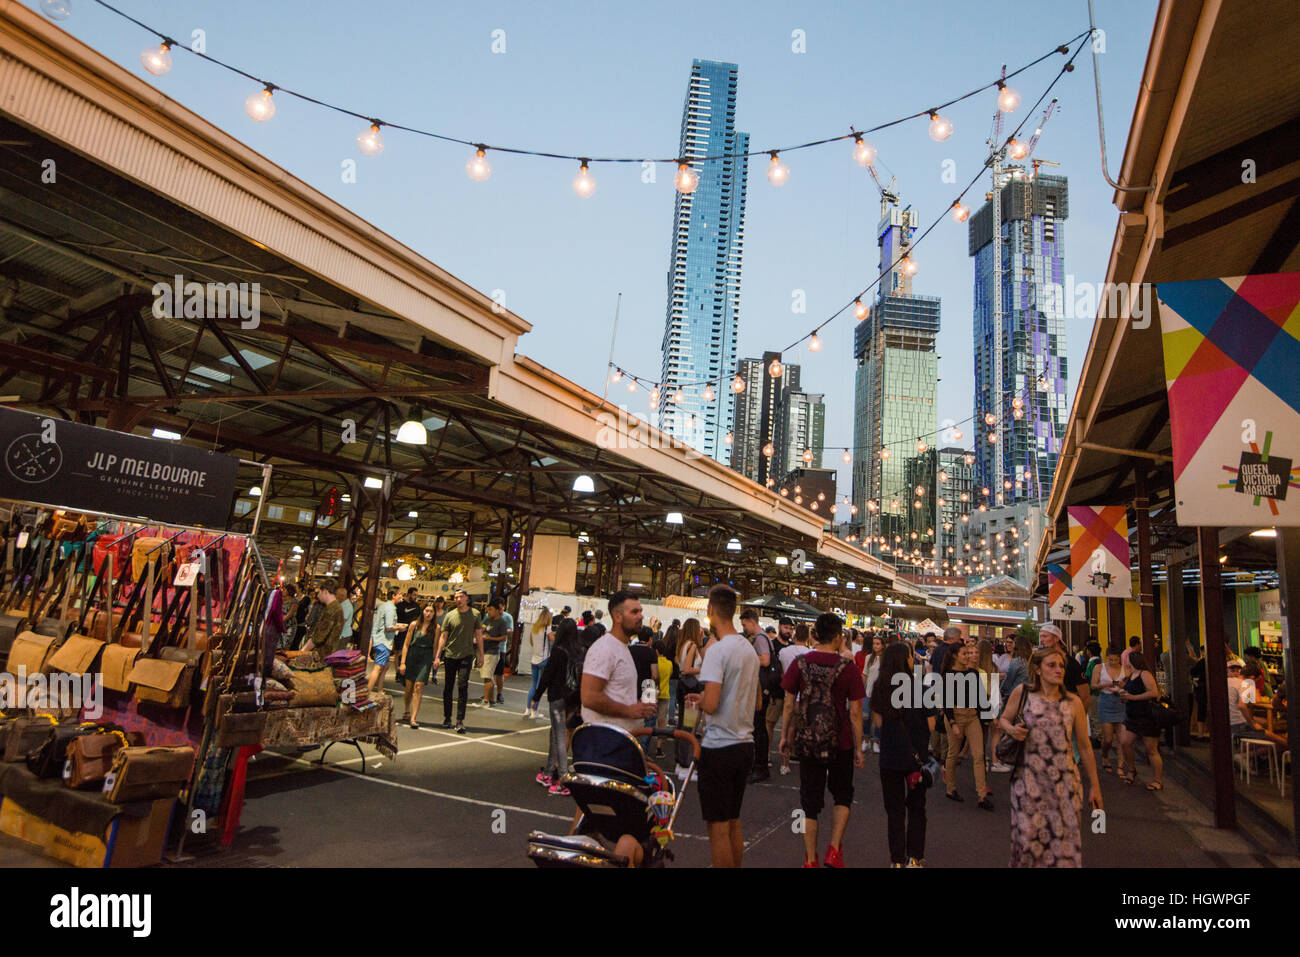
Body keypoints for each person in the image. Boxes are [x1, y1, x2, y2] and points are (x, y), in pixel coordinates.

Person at [999, 647, 1103, 867]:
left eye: (1061, 666)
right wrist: (1012, 730)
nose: (1059, 670)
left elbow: (1084, 746)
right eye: (1051, 665)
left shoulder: (1073, 702)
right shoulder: (1023, 692)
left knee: (1064, 847)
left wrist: (1095, 785)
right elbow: (1004, 719)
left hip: (1065, 785)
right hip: (1028, 783)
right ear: (1037, 669)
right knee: (1027, 844)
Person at [779, 612, 865, 867]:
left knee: (810, 802)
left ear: (815, 634)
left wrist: (785, 736)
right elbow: (857, 713)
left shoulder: (801, 663)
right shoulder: (847, 668)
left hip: (808, 740)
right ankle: (834, 849)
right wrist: (859, 748)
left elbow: (788, 705)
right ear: (839, 637)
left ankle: (810, 858)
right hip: (842, 742)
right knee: (842, 796)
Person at [684, 584, 759, 869]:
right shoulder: (748, 650)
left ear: (710, 610)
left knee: (717, 828)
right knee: (733, 822)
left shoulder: (717, 651)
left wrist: (701, 700)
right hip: (745, 744)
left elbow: (712, 704)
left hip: (719, 746)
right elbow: (756, 702)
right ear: (735, 611)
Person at [872, 641, 934, 867]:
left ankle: (896, 860)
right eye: (911, 655)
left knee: (894, 811)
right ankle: (915, 858)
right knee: (917, 809)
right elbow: (931, 725)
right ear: (905, 660)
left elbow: (877, 722)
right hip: (915, 758)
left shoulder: (880, 687)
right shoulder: (921, 689)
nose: (913, 658)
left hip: (890, 757)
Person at [580, 590, 658, 733]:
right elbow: (589, 697)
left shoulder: (622, 648)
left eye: (640, 611)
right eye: (634, 612)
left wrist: (638, 706)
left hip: (618, 741)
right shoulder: (604, 648)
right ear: (618, 617)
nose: (641, 616)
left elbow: (617, 693)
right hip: (604, 742)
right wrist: (629, 710)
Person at [530, 616, 582, 795]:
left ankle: (563, 777)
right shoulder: (577, 652)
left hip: (556, 697)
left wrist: (536, 696)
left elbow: (547, 677)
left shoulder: (558, 651)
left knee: (558, 736)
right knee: (555, 734)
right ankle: (549, 771)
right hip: (571, 697)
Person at [941, 642, 993, 810]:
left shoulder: (973, 673)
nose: (968, 657)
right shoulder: (948, 674)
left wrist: (992, 717)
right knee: (953, 753)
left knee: (978, 755)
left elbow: (981, 698)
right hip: (955, 716)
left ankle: (982, 795)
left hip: (972, 716)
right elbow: (946, 702)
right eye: (964, 654)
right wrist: (953, 723)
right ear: (955, 656)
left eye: (969, 654)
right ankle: (950, 788)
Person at [433, 589, 483, 734]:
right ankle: (447, 717)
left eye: (461, 597)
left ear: (467, 598)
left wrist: (481, 655)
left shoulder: (475, 614)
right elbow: (443, 637)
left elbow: (479, 635)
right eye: (456, 597)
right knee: (448, 687)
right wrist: (437, 656)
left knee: (462, 686)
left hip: (466, 655)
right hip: (450, 655)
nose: (458, 599)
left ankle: (460, 720)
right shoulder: (450, 615)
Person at [1117, 651, 1163, 790]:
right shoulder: (1131, 675)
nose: (1125, 661)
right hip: (1132, 715)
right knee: (1125, 743)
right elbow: (1125, 688)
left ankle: (1158, 780)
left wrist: (1132, 697)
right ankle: (1132, 770)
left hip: (1146, 716)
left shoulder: (1145, 674)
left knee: (1151, 749)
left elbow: (1154, 693)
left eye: (1127, 659)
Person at [739, 607, 774, 783]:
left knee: (758, 728)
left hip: (761, 688)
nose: (744, 628)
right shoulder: (763, 637)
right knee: (758, 728)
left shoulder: (760, 638)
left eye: (745, 625)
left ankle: (760, 767)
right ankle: (759, 765)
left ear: (753, 622)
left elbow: (765, 660)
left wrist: (747, 658)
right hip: (762, 688)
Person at [1091, 641, 1129, 775]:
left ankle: (1120, 765)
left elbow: (1127, 684)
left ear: (1120, 658)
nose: (1113, 661)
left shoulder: (1126, 669)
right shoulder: (1099, 668)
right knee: (1108, 739)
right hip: (1105, 701)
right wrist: (1106, 684)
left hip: (1120, 702)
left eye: (1116, 659)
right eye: (1110, 659)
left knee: (1122, 739)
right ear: (1106, 657)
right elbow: (1093, 685)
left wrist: (1120, 687)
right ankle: (1105, 756)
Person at [398, 602, 438, 728]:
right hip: (412, 655)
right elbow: (406, 644)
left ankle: (414, 718)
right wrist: (403, 662)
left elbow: (436, 646)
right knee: (409, 688)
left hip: (426, 657)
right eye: (426, 610)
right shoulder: (414, 625)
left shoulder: (436, 627)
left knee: (419, 686)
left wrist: (436, 659)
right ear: (422, 611)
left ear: (434, 613)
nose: (428, 613)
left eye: (431, 611)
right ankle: (406, 710)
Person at [1039, 623, 1091, 713]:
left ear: (1056, 638)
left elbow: (1085, 696)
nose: (1042, 640)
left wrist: (1079, 719)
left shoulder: (1071, 663)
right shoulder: (1042, 661)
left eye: (1045, 636)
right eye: (1041, 637)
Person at [628, 626, 660, 742]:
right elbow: (654, 675)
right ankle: (643, 748)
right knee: (649, 719)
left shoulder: (629, 649)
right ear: (650, 639)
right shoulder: (651, 652)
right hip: (647, 688)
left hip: (630, 688)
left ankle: (630, 744)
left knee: (630, 719)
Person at [855, 633, 885, 752]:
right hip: (868, 690)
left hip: (881, 692)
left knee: (879, 717)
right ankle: (866, 739)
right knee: (865, 716)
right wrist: (860, 689)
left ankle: (877, 740)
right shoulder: (869, 657)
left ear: (883, 645)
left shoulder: (886, 658)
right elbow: (865, 674)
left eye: (878, 644)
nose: (875, 646)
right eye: (874, 644)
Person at [367, 588, 400, 696]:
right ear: (394, 595)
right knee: (378, 667)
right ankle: (367, 693)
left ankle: (380, 690)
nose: (401, 596)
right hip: (383, 641)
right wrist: (400, 628)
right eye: (400, 594)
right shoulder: (390, 608)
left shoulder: (384, 606)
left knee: (385, 666)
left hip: (380, 640)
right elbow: (389, 627)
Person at [301, 579, 343, 657]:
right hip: (329, 653)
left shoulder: (331, 609)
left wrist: (302, 652)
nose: (318, 595)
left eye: (319, 592)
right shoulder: (336, 607)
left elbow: (318, 638)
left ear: (325, 591)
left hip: (322, 655)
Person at [525, 607, 553, 719]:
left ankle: (527, 709)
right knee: (539, 687)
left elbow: (531, 642)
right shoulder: (548, 628)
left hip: (534, 659)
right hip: (544, 659)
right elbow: (553, 640)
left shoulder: (534, 627)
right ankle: (534, 711)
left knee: (533, 685)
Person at [480, 601, 509, 708]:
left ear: (497, 610)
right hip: (485, 650)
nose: (489, 612)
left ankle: (486, 700)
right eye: (488, 610)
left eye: (491, 610)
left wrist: (490, 638)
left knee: (488, 677)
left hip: (493, 652)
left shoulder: (502, 622)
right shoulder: (487, 620)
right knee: (488, 676)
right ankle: (491, 700)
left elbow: (504, 637)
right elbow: (482, 628)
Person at [392, 586, 421, 672]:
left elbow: (419, 619)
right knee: (398, 652)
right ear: (409, 594)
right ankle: (397, 671)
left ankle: (405, 671)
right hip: (401, 632)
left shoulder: (417, 606)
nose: (415, 597)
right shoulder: (400, 605)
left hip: (412, 633)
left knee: (409, 652)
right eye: (414, 595)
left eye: (416, 595)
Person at [336, 585, 355, 650]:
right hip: (342, 634)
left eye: (337, 595)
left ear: (342, 596)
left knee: (338, 655)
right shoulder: (343, 604)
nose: (336, 597)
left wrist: (338, 635)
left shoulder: (346, 606)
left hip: (343, 635)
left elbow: (342, 621)